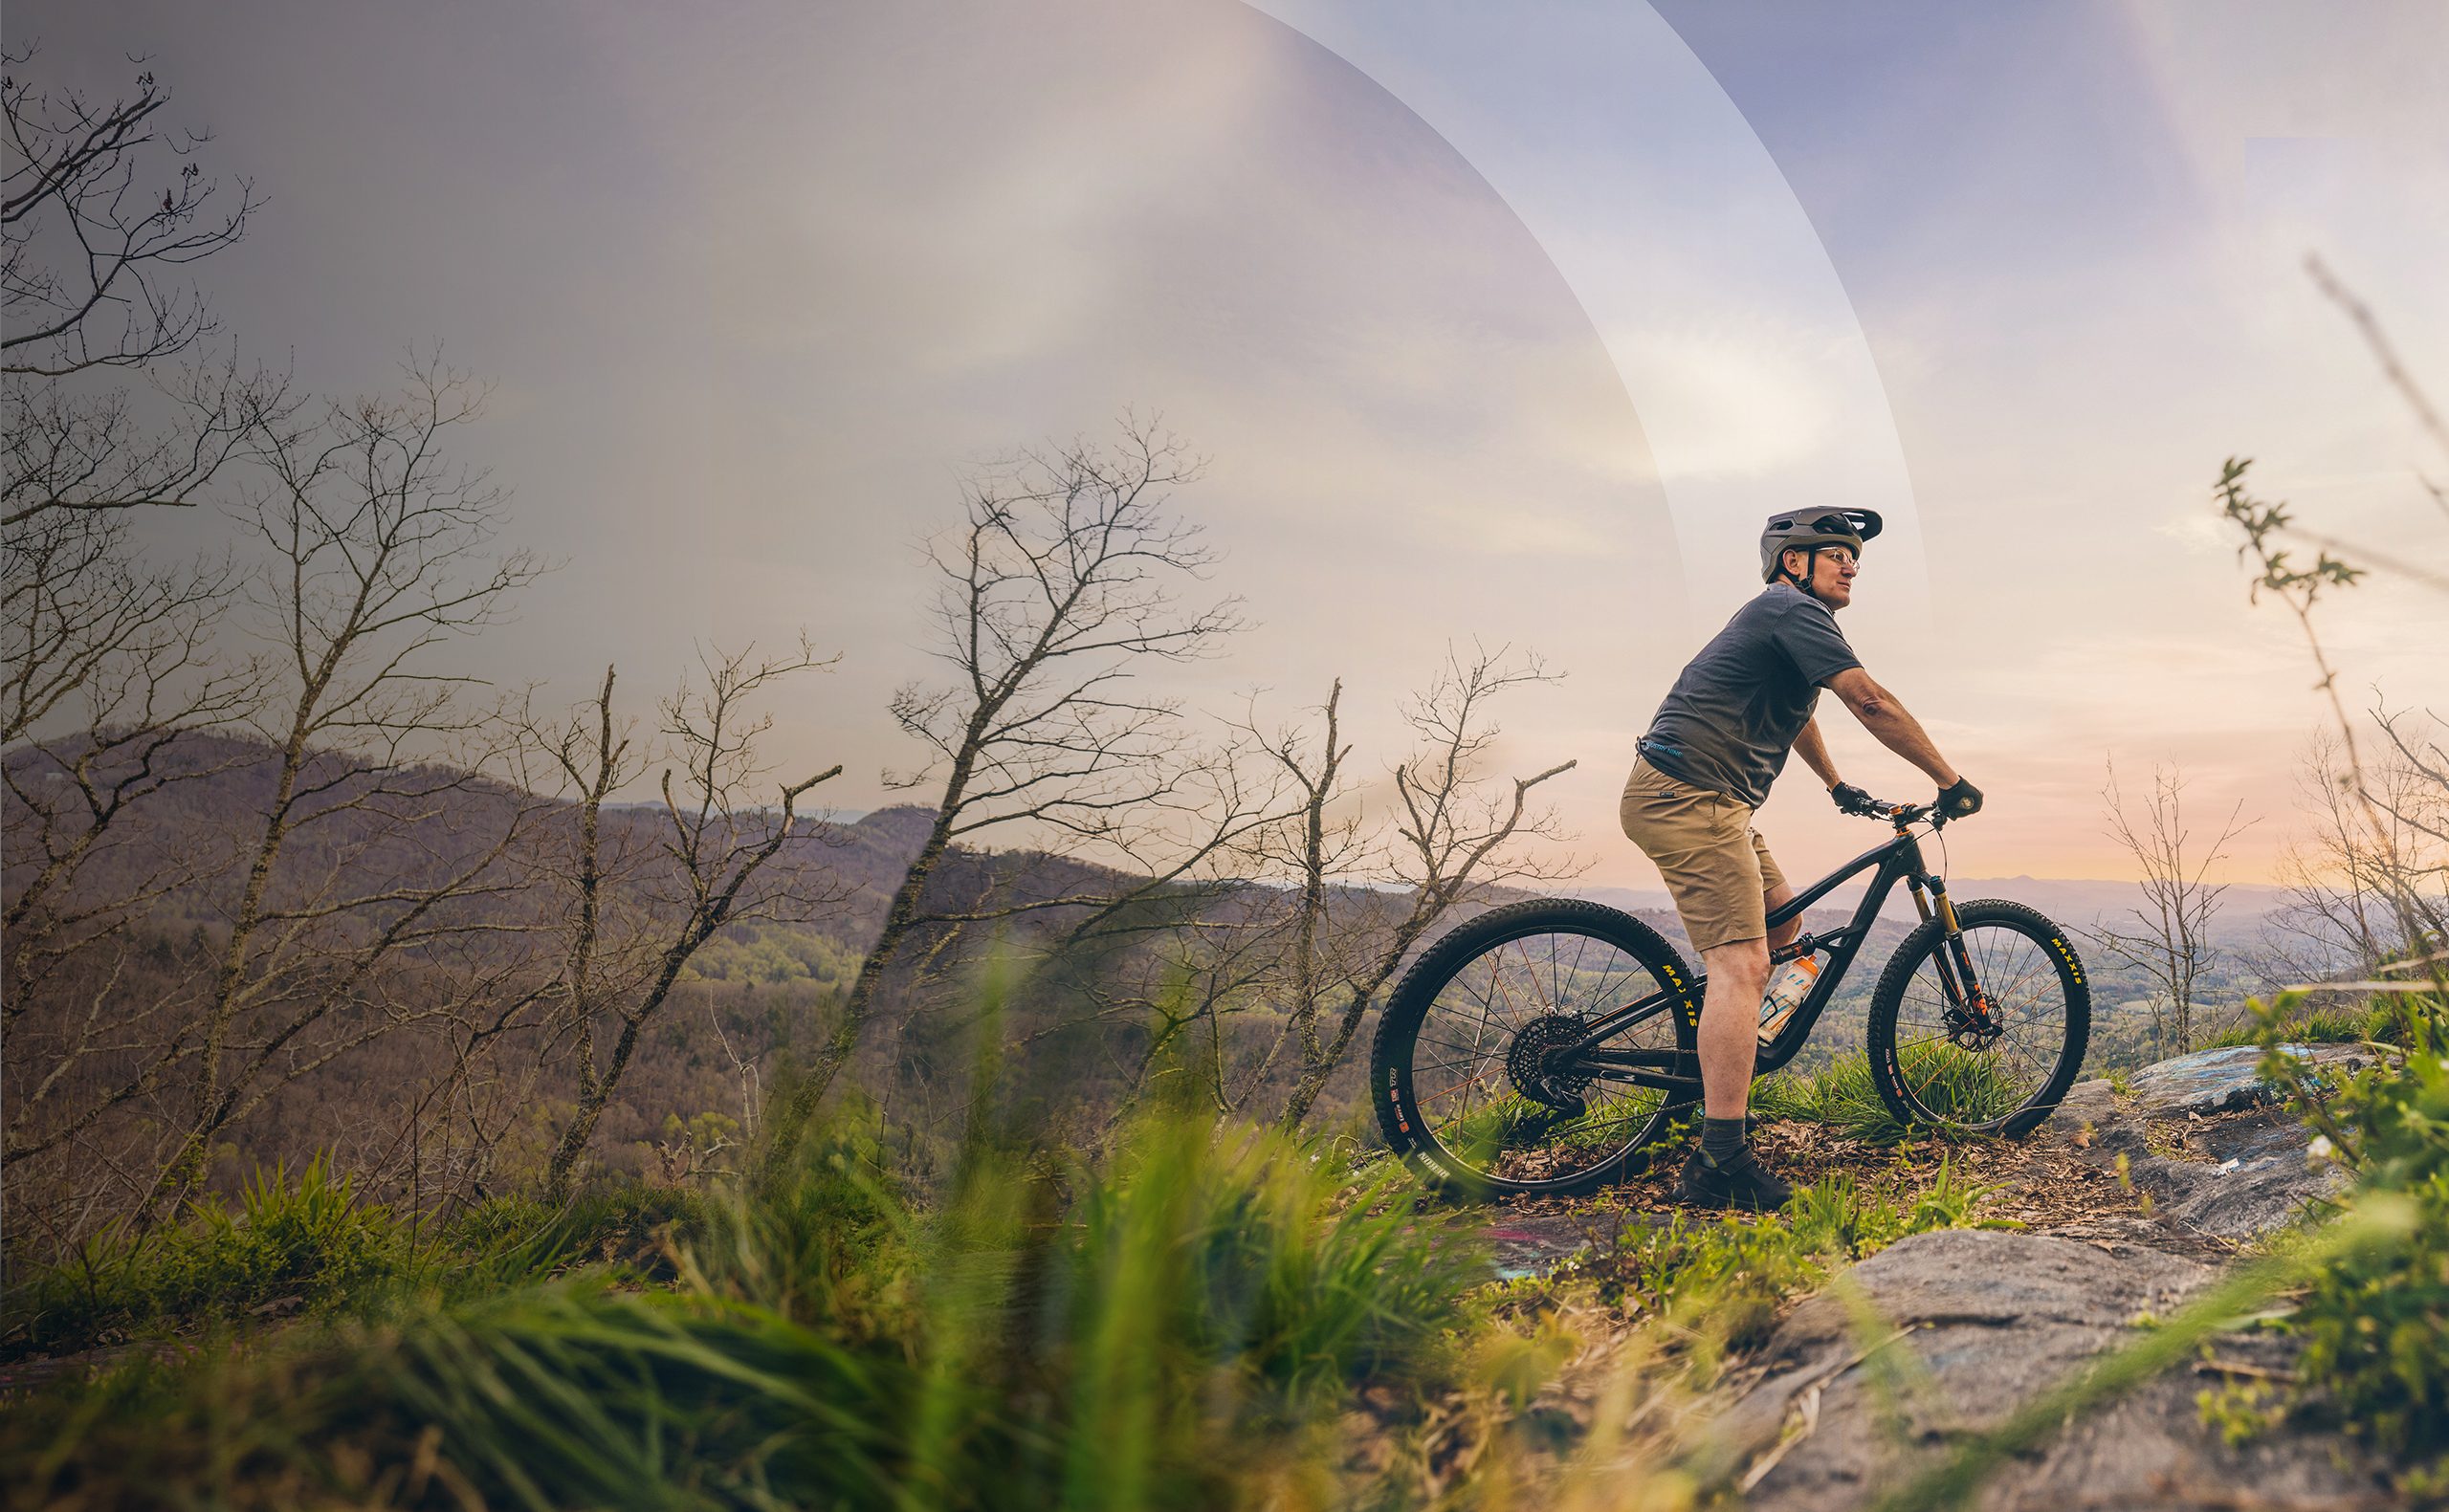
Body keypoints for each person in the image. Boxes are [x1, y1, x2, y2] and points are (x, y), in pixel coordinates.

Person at [1621, 510, 1981, 1210]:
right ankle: (1720, 1158)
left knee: (1787, 928)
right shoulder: (1793, 608)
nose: (1851, 565)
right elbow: (1869, 701)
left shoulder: (1787, 621)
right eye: (1837, 554)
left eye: (1856, 557)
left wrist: (1836, 783)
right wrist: (1949, 781)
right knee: (1743, 964)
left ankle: (1730, 1058)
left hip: (1713, 798)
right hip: (1688, 796)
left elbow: (1801, 709)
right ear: (1795, 562)